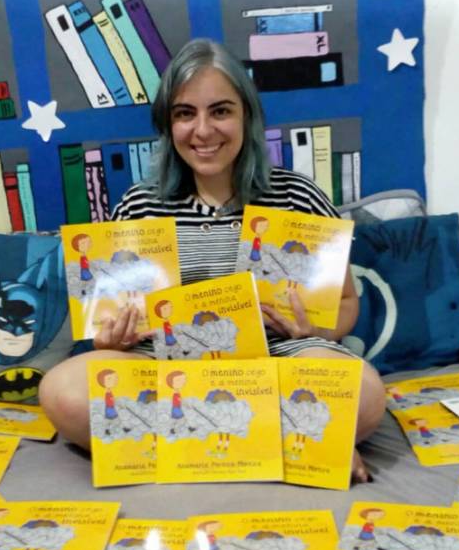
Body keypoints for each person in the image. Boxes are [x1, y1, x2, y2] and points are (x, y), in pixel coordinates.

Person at [39, 38, 386, 482]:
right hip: (166, 368)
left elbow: (347, 303)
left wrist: (315, 329)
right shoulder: (140, 204)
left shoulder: (297, 195)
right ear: (168, 124)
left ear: (247, 116)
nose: (202, 131)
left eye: (220, 111)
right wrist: (112, 341)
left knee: (366, 393)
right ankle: (292, 444)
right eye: (185, 114)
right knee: (61, 391)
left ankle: (181, 446)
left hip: (276, 360)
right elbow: (110, 321)